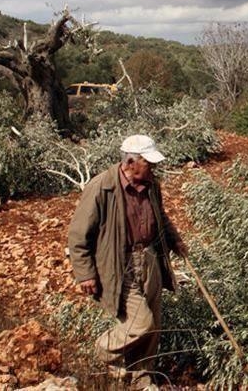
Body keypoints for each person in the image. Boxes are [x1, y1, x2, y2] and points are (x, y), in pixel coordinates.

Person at [67, 134, 188, 389]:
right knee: (140, 322)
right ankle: (103, 350)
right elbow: (78, 234)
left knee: (153, 326)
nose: (153, 167)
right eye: (148, 162)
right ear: (131, 161)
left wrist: (175, 240)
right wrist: (85, 273)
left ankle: (141, 377)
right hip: (120, 263)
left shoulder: (152, 184)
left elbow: (160, 216)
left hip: (151, 258)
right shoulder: (102, 187)